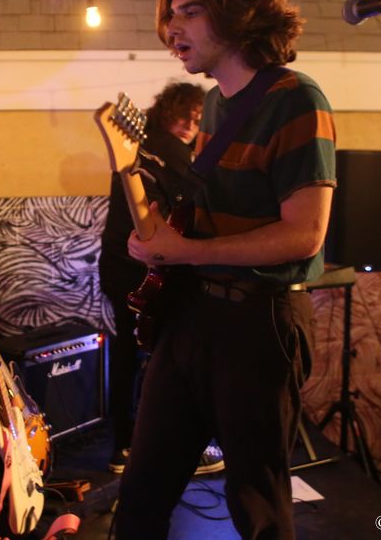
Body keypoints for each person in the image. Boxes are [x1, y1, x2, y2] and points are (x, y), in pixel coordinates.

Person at [115, 0, 336, 540]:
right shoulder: (214, 102)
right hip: (194, 314)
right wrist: (160, 236)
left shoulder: (296, 98)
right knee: (141, 491)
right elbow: (206, 219)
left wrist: (184, 251)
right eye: (171, 14)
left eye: (190, 12)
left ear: (240, 12)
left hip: (259, 322)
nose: (172, 29)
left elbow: (304, 234)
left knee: (257, 505)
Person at [99, 82, 223, 475]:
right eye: (184, 115)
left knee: (128, 354)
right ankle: (167, 447)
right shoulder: (166, 149)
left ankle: (124, 447)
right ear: (166, 112)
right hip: (143, 269)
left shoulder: (140, 148)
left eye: (197, 119)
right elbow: (201, 202)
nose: (191, 123)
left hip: (121, 267)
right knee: (171, 357)